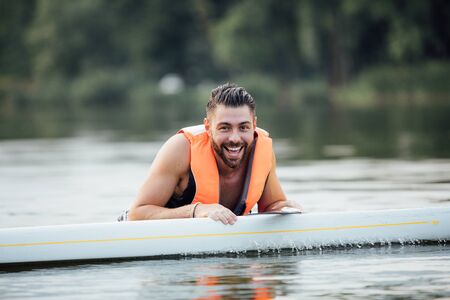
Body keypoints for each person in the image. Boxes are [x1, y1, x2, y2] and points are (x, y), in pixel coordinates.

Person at [118, 83, 302, 224]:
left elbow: (271, 206)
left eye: (244, 127)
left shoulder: (263, 150)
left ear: (254, 124)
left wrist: (285, 209)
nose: (235, 138)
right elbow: (137, 214)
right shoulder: (180, 149)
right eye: (225, 128)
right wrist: (197, 211)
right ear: (208, 127)